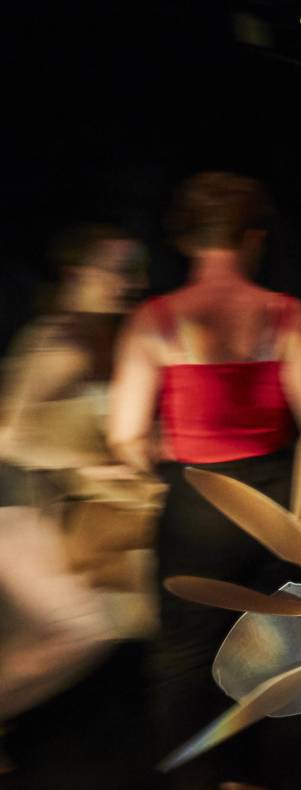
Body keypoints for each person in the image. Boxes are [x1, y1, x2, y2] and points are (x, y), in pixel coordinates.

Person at [107, 172, 301, 790]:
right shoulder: (286, 313)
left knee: (180, 663)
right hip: (273, 497)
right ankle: (246, 785)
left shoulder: (155, 320)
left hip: (196, 499)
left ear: (185, 239)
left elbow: (123, 433)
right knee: (262, 647)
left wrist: (157, 451)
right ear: (253, 240)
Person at [0, 226, 157, 740]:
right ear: (76, 274)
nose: (127, 282)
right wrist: (84, 468)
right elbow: (9, 436)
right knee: (81, 626)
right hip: (13, 517)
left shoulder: (100, 339)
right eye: (115, 269)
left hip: (46, 516)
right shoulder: (58, 342)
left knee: (82, 625)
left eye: (132, 270)